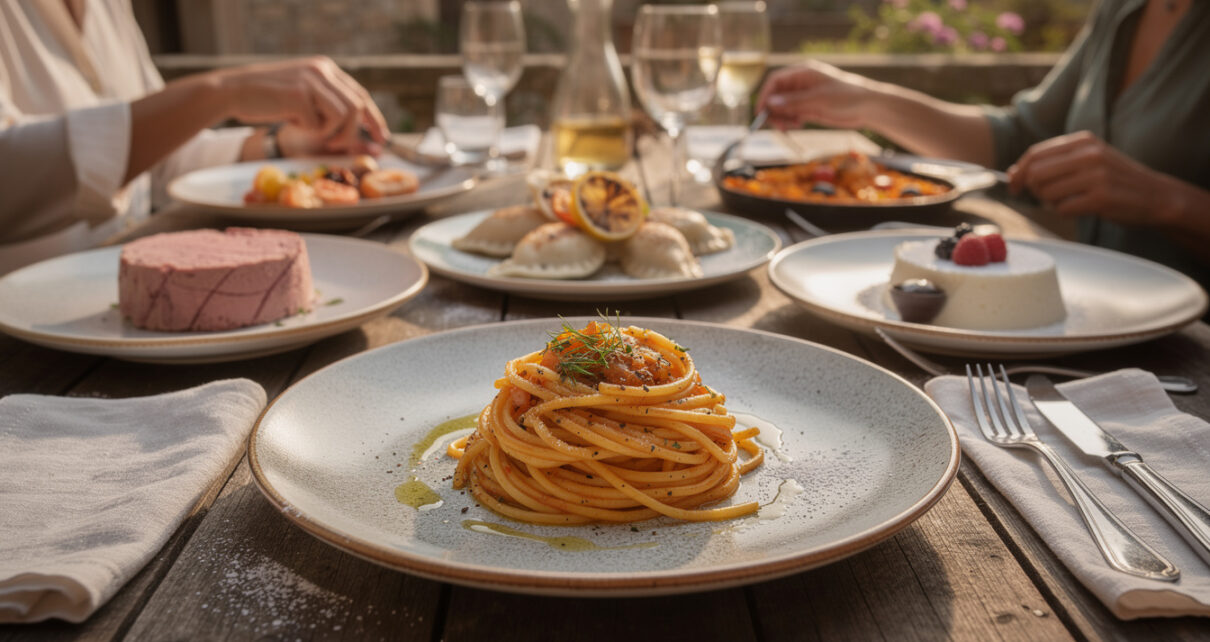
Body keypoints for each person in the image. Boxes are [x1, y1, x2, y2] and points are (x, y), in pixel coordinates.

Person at [756, 0, 1210, 292]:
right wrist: (866, 100)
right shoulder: (1123, 8)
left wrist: (1164, 201)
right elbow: (1019, 140)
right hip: (1088, 320)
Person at [0, 0, 389, 274]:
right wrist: (219, 93)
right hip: (25, 356)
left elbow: (155, 163)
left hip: (135, 308)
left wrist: (281, 146)